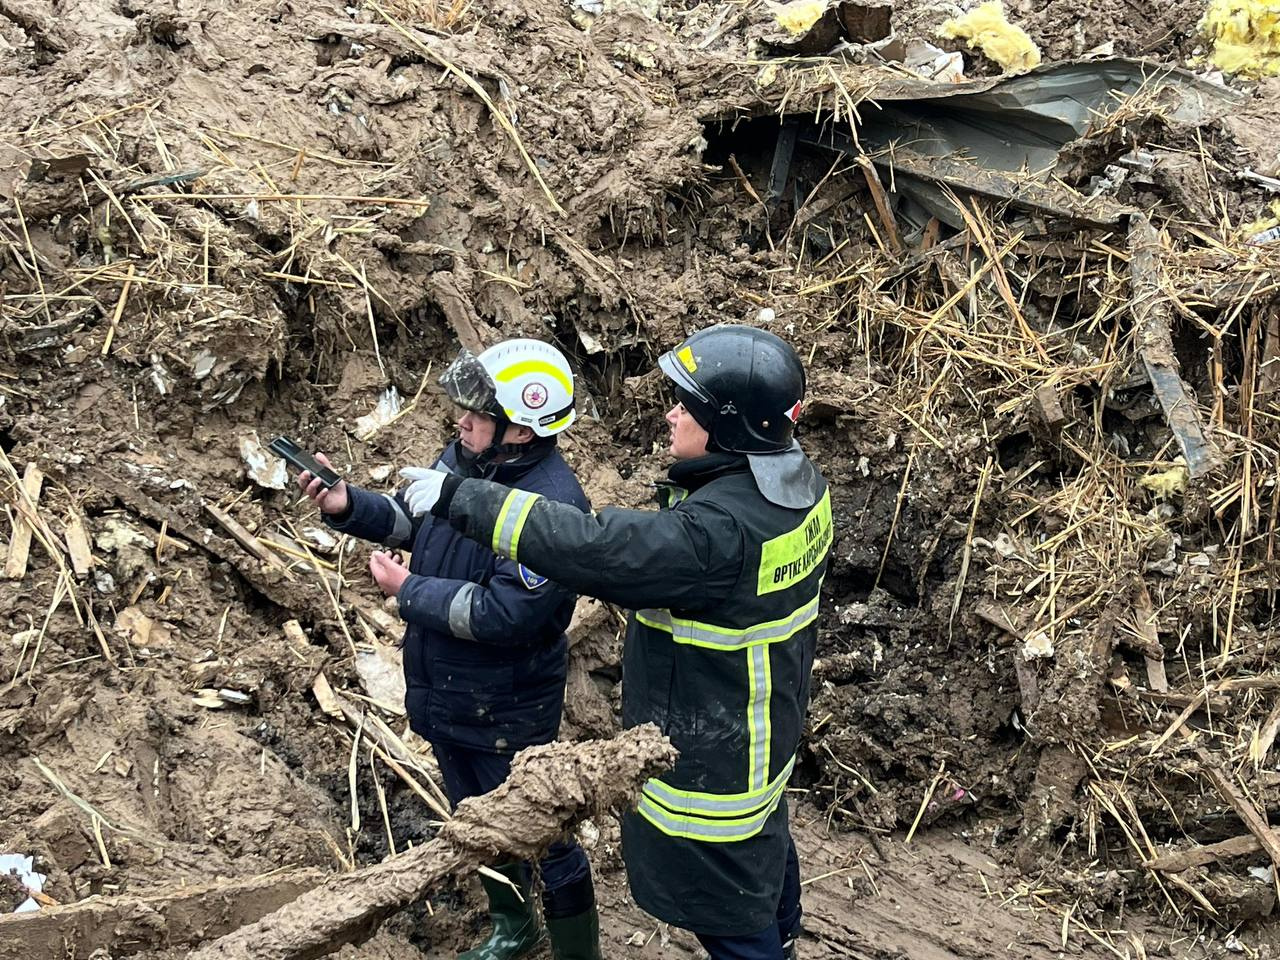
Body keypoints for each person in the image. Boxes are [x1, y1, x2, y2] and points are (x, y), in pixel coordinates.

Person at [396, 324, 832, 960]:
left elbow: (603, 550)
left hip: (714, 754)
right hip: (763, 728)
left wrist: (467, 499)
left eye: (689, 404)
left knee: (729, 916)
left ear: (729, 426)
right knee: (763, 861)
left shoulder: (718, 532)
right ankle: (785, 935)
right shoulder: (796, 486)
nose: (671, 411)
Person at [296, 338, 601, 960]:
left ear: (521, 427)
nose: (461, 421)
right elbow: (416, 518)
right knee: (477, 823)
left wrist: (411, 590)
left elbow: (510, 612)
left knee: (544, 836)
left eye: (478, 414)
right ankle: (513, 930)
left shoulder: (552, 507)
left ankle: (578, 953)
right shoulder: (465, 458)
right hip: (449, 694)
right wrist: (347, 504)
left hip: (504, 708)